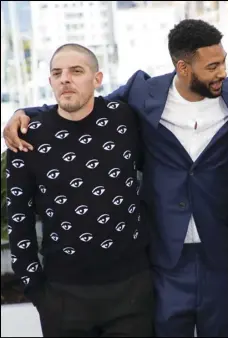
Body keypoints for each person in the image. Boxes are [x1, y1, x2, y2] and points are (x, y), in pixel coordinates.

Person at [2, 19, 228, 337]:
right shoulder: (142, 93)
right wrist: (26, 113)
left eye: (223, 62)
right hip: (148, 263)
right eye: (213, 66)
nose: (222, 72)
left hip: (206, 257)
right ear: (184, 67)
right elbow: (83, 104)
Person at [6, 43, 153, 337]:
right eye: (57, 73)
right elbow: (18, 217)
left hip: (132, 289)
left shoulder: (124, 119)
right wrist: (36, 290)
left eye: (76, 71)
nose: (65, 79)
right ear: (50, 81)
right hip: (62, 294)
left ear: (97, 79)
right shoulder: (28, 136)